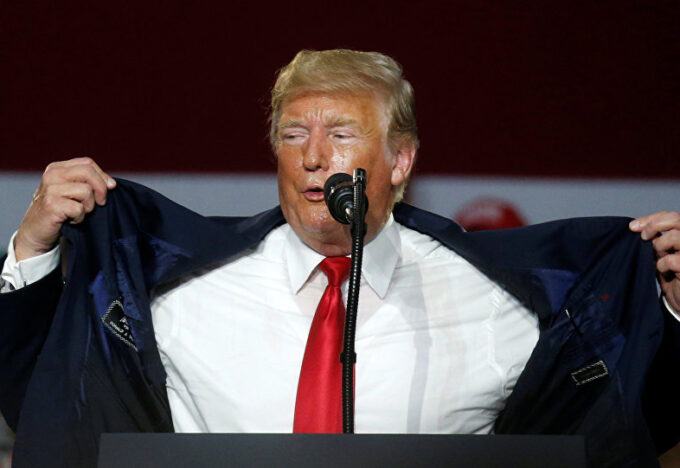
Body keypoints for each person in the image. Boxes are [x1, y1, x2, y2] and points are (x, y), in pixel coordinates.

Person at [1, 49, 679, 467]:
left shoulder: (502, 298)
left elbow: (627, 426)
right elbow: (50, 403)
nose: (315, 156)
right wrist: (33, 251)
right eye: (294, 134)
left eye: (343, 134)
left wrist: (675, 309)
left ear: (400, 160)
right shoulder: (170, 287)